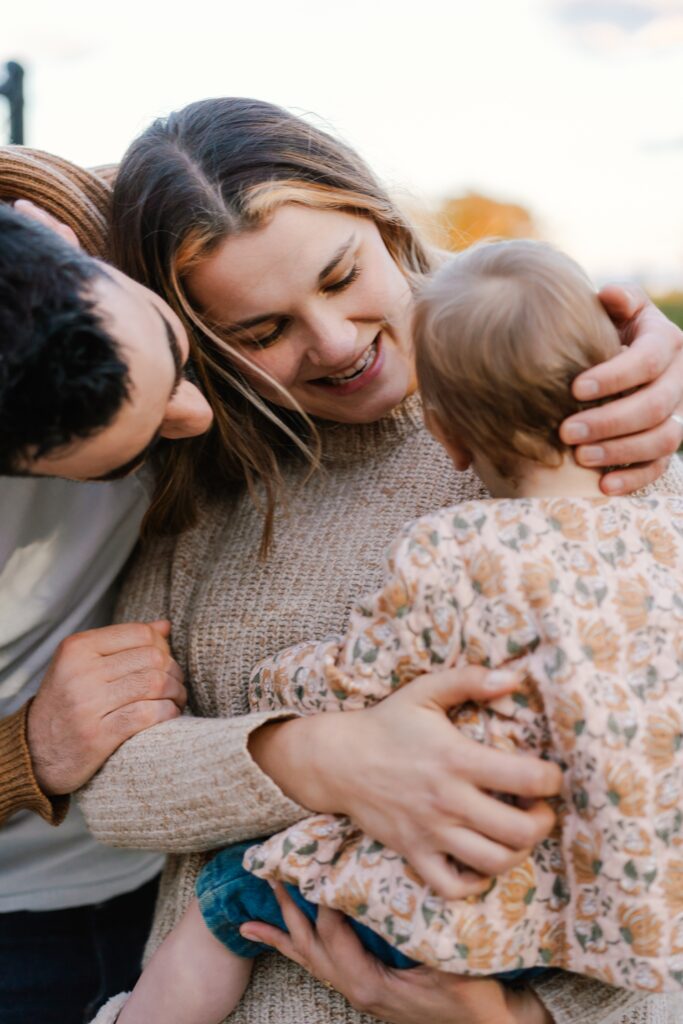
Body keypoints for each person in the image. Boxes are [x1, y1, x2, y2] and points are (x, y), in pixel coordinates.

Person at [79, 97, 683, 1024]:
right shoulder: (201, 489)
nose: (332, 340)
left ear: (381, 220)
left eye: (341, 274)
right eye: (261, 332)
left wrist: (522, 1021)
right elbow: (117, 792)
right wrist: (322, 754)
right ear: (202, 345)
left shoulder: (606, 430)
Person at [0, 149, 214, 1024]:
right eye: (118, 465)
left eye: (172, 344)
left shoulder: (126, 215)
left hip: (173, 882)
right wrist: (29, 750)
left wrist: (638, 353)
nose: (193, 415)